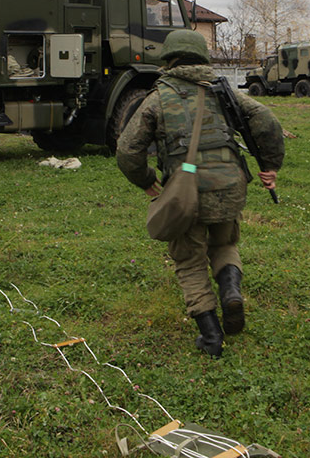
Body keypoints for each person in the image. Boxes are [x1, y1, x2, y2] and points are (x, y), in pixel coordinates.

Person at [116, 29, 284, 357]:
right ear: (202, 57)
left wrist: (146, 180)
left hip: (185, 192)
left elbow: (127, 149)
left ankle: (210, 336)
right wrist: (272, 165)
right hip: (230, 184)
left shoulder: (157, 98)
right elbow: (265, 118)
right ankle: (231, 291)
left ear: (170, 59)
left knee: (190, 261)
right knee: (225, 243)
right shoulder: (223, 91)